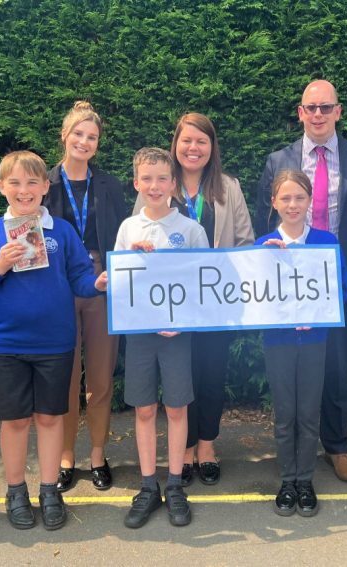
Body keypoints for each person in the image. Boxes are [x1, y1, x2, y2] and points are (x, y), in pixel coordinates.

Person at [0, 151, 107, 531]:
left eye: (32, 183)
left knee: (49, 417)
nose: (23, 190)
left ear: (46, 187)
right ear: (1, 187)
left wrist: (97, 284)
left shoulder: (61, 230)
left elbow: (79, 278)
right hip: (6, 343)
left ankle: (48, 490)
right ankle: (15, 491)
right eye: (15, 182)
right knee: (14, 422)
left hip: (55, 343)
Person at [254, 79, 347, 482]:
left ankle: (338, 447)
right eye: (311, 108)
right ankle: (293, 452)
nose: (318, 115)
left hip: (338, 286)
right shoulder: (279, 160)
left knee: (335, 370)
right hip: (287, 290)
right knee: (293, 372)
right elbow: (263, 221)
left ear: (338, 111)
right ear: (300, 112)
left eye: (326, 107)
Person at [134, 112, 254, 486]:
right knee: (179, 374)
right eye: (187, 140)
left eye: (202, 141)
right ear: (176, 144)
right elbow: (137, 242)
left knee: (211, 372)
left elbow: (247, 242)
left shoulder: (229, 187)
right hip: (170, 305)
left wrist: (225, 277)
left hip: (215, 302)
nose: (194, 148)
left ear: (211, 147)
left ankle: (206, 445)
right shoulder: (156, 185)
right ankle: (182, 449)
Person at [119, 147, 209, 528]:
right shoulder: (128, 228)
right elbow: (121, 287)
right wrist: (124, 268)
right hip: (140, 334)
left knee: (175, 408)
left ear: (174, 183)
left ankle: (174, 485)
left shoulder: (191, 229)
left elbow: (205, 283)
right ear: (137, 183)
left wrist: (184, 320)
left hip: (176, 335)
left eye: (162, 179)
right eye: (147, 179)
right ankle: (146, 486)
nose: (154, 186)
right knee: (143, 409)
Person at [256, 170, 347, 517]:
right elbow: (250, 298)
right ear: (274, 202)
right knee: (284, 413)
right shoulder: (263, 244)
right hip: (278, 340)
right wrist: (268, 261)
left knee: (308, 412)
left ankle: (305, 480)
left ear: (310, 201)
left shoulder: (325, 241)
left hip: (314, 339)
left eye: (299, 198)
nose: (292, 205)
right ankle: (287, 479)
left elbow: (340, 291)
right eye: (286, 198)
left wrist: (320, 315)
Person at [45, 101, 126, 493]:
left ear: (97, 144)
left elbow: (124, 238)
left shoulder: (109, 185)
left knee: (99, 378)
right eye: (78, 134)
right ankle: (65, 457)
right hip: (57, 286)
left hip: (101, 284)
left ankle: (97, 454)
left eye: (91, 137)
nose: (84, 141)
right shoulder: (43, 183)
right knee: (62, 377)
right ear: (65, 135)